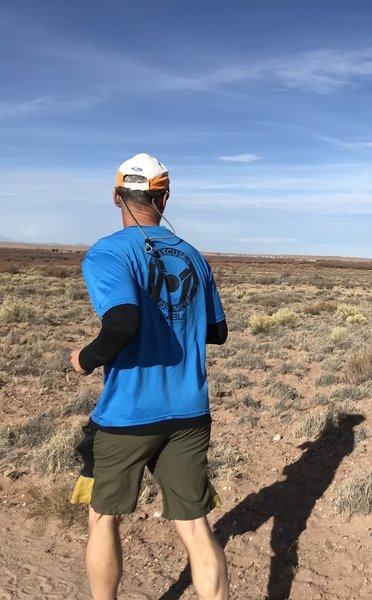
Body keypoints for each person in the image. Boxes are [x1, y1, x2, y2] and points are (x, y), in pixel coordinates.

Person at [69, 153, 230, 600]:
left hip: (128, 413)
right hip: (190, 410)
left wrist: (84, 358)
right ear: (165, 196)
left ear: (116, 195)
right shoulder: (193, 256)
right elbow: (218, 332)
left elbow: (122, 323)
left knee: (104, 517)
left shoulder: (108, 253)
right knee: (196, 527)